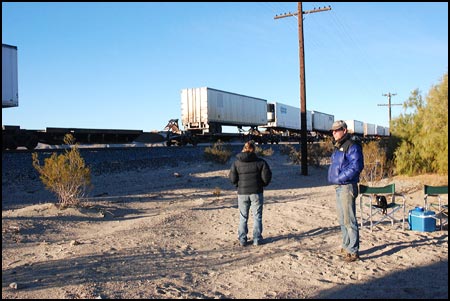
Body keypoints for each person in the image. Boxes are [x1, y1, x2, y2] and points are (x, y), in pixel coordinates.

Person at [327, 120, 364, 262]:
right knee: (342, 219)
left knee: (349, 219)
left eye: (337, 130)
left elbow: (356, 166)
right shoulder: (338, 146)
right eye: (333, 130)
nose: (334, 133)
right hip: (339, 186)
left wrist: (340, 178)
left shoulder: (352, 146)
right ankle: (346, 245)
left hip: (347, 186)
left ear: (344, 130)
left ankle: (353, 250)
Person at [229, 140, 272, 247]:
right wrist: (261, 185)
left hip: (242, 193)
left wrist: (238, 185)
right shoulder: (261, 162)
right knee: (257, 216)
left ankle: (242, 239)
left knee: (243, 216)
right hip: (256, 192)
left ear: (244, 148)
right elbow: (266, 177)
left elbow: (232, 178)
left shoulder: (236, 163)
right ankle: (257, 239)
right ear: (254, 149)